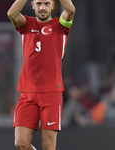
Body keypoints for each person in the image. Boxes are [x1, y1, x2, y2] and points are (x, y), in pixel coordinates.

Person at [7, 0, 75, 149]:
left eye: (46, 3)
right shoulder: (26, 24)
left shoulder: (60, 26)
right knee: (21, 143)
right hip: (27, 91)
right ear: (32, 5)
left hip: (51, 92)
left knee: (48, 144)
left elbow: (70, 10)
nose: (42, 7)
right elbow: (11, 13)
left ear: (52, 5)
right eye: (38, 4)